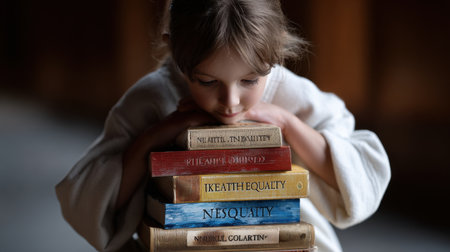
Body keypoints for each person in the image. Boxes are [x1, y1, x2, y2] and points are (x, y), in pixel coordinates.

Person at [56, 0, 391, 251]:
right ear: (175, 51)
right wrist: (154, 138)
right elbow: (88, 198)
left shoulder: (290, 91)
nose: (230, 101)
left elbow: (360, 174)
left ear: (276, 52)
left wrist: (287, 124)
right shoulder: (151, 96)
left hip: (284, 240)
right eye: (206, 81)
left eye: (250, 80)